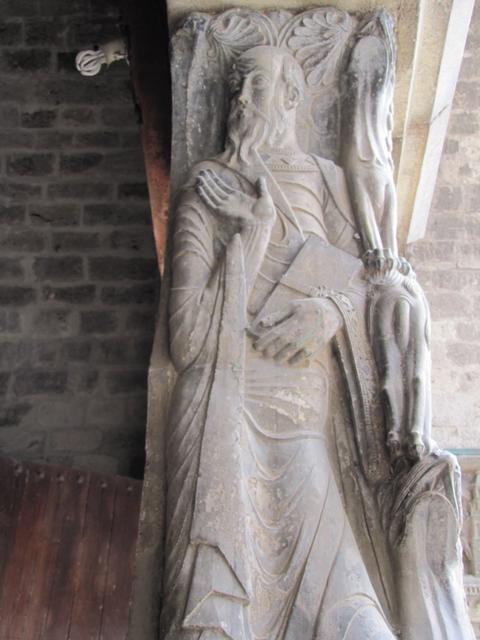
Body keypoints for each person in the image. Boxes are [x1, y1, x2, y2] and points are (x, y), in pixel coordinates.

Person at [159, 45, 396, 639]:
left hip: (303, 418)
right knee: (213, 617)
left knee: (357, 623)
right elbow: (186, 338)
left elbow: (374, 281)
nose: (241, 99)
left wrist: (331, 311)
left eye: (257, 84)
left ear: (292, 96)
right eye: (236, 86)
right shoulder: (206, 188)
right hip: (223, 407)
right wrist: (254, 231)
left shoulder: (325, 180)